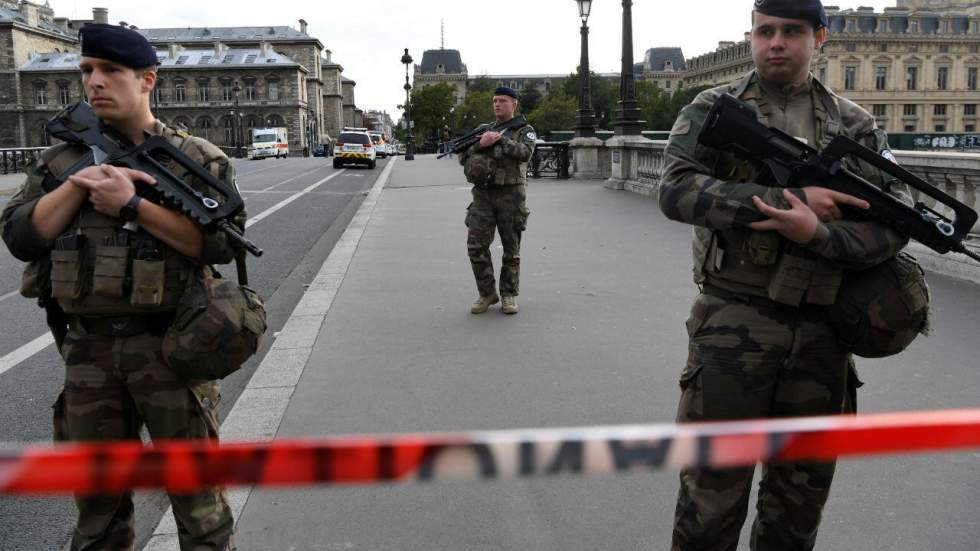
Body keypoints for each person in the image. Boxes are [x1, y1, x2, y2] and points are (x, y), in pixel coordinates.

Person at [658, 1, 910, 549]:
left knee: (798, 507)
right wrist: (784, 202)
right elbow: (674, 190)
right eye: (764, 31)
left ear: (819, 37)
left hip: (822, 334)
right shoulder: (712, 108)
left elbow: (896, 223)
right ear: (750, 37)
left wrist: (817, 235)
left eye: (791, 32)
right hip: (732, 323)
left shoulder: (853, 123)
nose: (775, 43)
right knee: (709, 501)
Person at [0, 24, 239, 551]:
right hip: (88, 352)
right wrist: (78, 186)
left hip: (172, 348)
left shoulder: (195, 158)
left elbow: (217, 246)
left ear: (148, 80)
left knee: (200, 508)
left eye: (110, 70)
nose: (94, 82)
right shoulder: (61, 161)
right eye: (87, 70)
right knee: (98, 513)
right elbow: (20, 236)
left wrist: (131, 206)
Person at [458, 86, 536, 315]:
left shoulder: (524, 129)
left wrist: (499, 141)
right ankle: (487, 293)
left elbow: (525, 153)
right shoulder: (483, 130)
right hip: (482, 195)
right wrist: (481, 144)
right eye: (494, 101)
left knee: (511, 249)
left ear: (514, 104)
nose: (497, 104)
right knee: (476, 246)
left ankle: (509, 295)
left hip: (511, 194)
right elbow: (463, 155)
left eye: (502, 100)